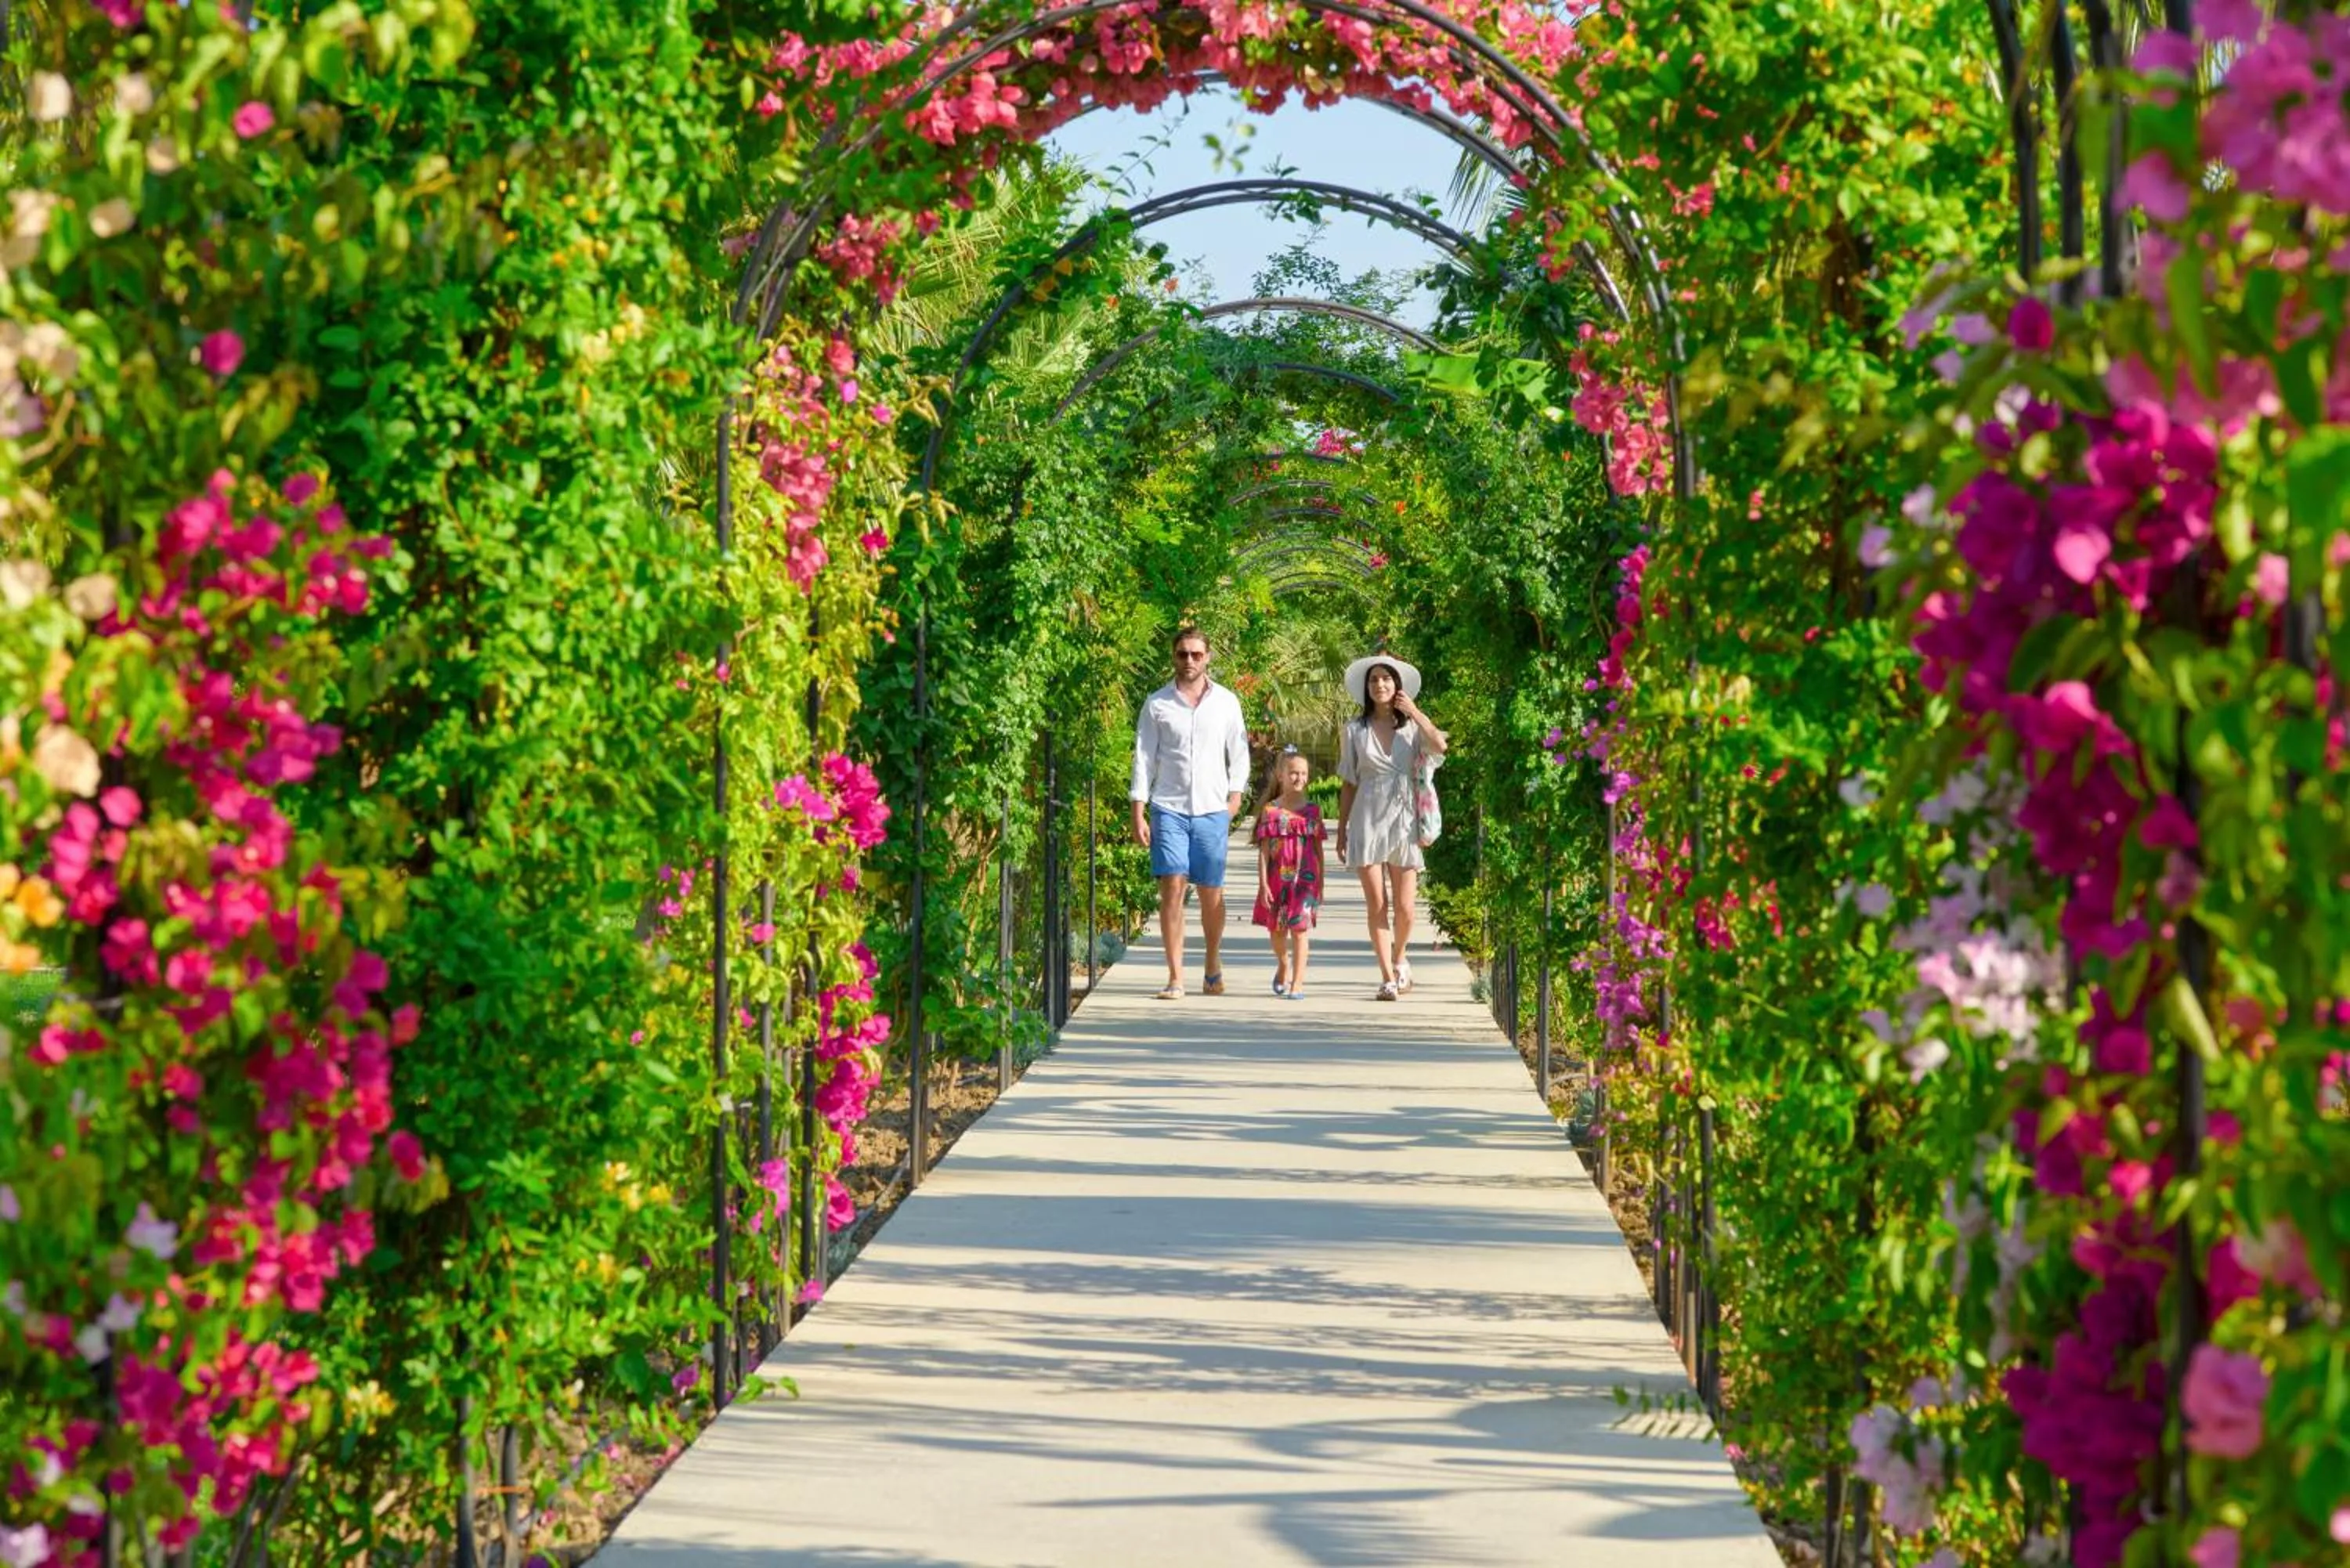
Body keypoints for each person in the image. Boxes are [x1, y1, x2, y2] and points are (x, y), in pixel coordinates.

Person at [1130, 626, 1250, 1000]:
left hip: (1213, 808)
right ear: (1174, 656)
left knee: (1212, 891)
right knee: (1172, 887)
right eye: (1183, 654)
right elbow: (1144, 757)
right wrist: (1139, 808)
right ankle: (1175, 976)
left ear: (1208, 657)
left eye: (1196, 654)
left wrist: (1234, 799)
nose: (1189, 661)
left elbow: (1240, 753)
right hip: (1169, 807)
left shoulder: (1227, 702)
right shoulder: (1157, 704)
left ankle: (1212, 962)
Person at [1336, 653, 1448, 1002]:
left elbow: (1441, 746)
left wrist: (1415, 712)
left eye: (1386, 679)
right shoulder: (1355, 730)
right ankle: (1386, 976)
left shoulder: (1412, 728)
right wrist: (1341, 830)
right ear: (1367, 688)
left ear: (1397, 686)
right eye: (1374, 680)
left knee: (1405, 907)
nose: (1380, 685)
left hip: (1404, 818)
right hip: (1368, 815)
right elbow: (1349, 782)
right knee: (1377, 905)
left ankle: (1400, 959)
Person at [1251, 746, 1326, 1001]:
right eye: (1294, 773)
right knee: (1277, 932)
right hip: (1277, 881)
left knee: (1300, 931)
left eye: (1304, 774)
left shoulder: (1312, 811)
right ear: (1282, 776)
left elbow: (1318, 850)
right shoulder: (1271, 811)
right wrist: (1263, 884)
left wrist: (1321, 883)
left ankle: (1297, 983)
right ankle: (1283, 964)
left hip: (1304, 882)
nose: (1299, 778)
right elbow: (1263, 852)